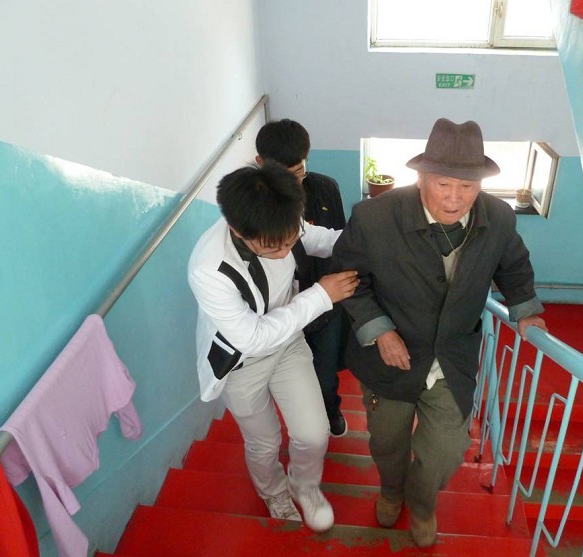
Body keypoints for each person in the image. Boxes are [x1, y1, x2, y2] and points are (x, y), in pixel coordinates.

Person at [330, 118, 547, 547]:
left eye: (467, 187)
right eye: (444, 184)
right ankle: (392, 491)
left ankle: (423, 503)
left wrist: (526, 311)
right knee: (387, 442)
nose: (455, 198)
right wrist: (380, 331)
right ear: (421, 178)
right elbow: (348, 278)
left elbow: (514, 268)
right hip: (389, 356)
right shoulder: (374, 217)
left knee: (447, 449)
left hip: (452, 356)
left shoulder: (499, 217)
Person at [187, 162, 359, 532]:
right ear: (237, 229)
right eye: (273, 247)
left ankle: (304, 486)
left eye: (289, 241)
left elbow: (316, 239)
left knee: (314, 433)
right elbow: (252, 337)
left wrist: (362, 239)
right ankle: (275, 493)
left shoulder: (284, 216)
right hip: (241, 363)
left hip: (289, 343)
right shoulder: (208, 268)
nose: (285, 252)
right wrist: (321, 295)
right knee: (264, 443)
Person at [255, 119, 349, 437]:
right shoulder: (251, 208)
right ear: (260, 164)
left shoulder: (325, 189)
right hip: (281, 316)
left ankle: (329, 413)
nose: (291, 184)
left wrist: (366, 239)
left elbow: (327, 240)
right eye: (282, 175)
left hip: (324, 301)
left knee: (325, 375)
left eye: (298, 172)